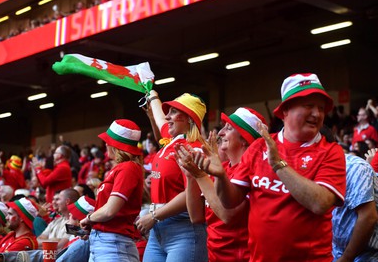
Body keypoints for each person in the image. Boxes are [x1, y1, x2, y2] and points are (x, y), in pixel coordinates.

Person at [192, 73, 346, 261]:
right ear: (285, 110)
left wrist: (279, 165)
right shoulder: (258, 147)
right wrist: (221, 176)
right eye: (309, 106)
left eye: (321, 108)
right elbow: (230, 202)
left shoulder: (331, 151)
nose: (317, 114)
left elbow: (320, 203)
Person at [175, 107, 267, 261]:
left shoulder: (254, 172)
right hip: (214, 256)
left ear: (244, 138)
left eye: (229, 128)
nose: (221, 133)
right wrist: (191, 176)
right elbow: (196, 217)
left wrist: (200, 175)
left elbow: (227, 215)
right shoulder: (222, 168)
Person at [135, 91, 208, 262]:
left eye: (174, 112)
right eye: (168, 112)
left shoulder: (194, 149)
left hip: (183, 230)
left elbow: (193, 194)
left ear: (189, 118)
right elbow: (160, 118)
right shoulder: (173, 141)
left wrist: (154, 216)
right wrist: (151, 94)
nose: (167, 117)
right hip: (158, 229)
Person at [80, 119, 144, 261]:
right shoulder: (122, 167)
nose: (106, 144)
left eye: (108, 141)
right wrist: (94, 223)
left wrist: (89, 219)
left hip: (114, 244)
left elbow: (110, 210)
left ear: (115, 145)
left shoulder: (128, 167)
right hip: (107, 242)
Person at [332, 153, 378, 261]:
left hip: (366, 255)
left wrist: (346, 258)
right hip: (337, 250)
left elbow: (369, 217)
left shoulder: (356, 167)